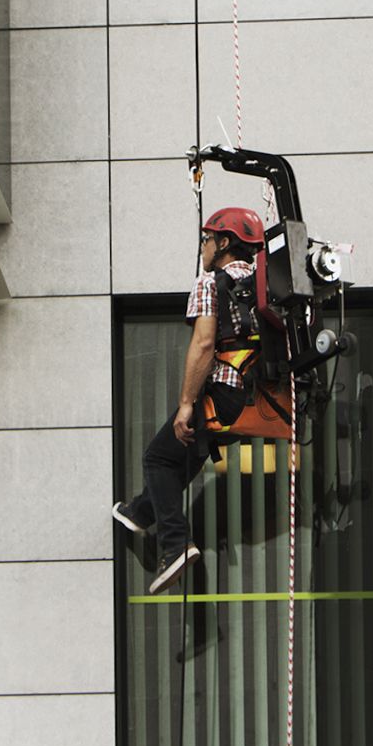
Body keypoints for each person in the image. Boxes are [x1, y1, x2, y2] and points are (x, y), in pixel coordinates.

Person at [112, 206, 265, 594]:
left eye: (207, 239)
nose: (204, 247)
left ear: (224, 243)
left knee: (157, 457)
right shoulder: (267, 285)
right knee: (184, 455)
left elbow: (204, 344)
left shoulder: (211, 282)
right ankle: (140, 511)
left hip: (223, 392)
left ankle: (175, 544)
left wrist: (186, 402)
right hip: (255, 400)